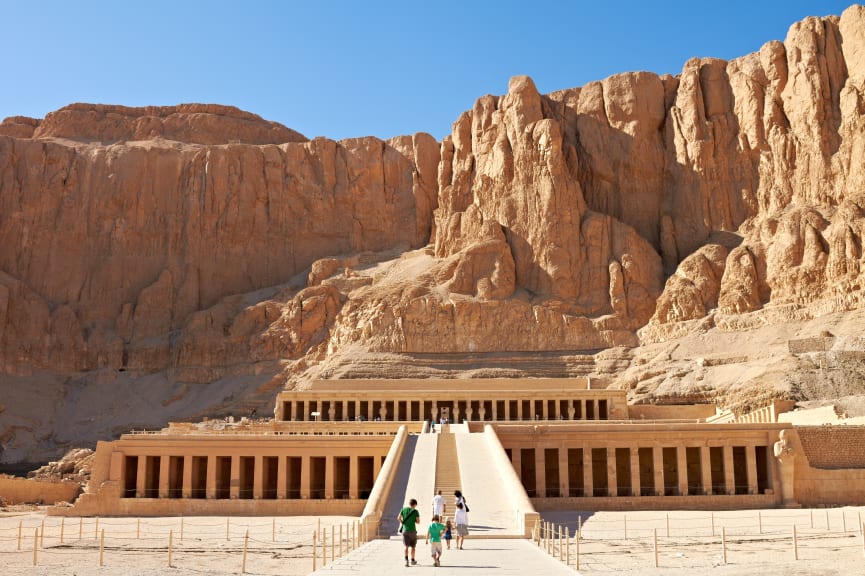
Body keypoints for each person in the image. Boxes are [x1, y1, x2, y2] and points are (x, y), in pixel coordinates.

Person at [398, 498, 420, 566]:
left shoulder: (403, 509)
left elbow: (398, 518)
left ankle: (406, 560)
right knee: (413, 547)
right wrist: (414, 521)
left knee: (406, 546)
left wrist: (403, 523)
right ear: (415, 504)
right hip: (413, 530)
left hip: (405, 530)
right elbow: (418, 522)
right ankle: (412, 560)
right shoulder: (416, 511)